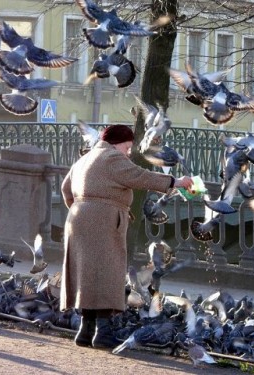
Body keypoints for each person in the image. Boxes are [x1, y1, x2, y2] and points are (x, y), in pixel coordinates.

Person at [60, 124, 193, 349]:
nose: (128, 152)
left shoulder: (85, 158)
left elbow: (66, 189)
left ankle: (85, 330)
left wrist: (81, 210)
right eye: (128, 147)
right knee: (107, 272)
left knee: (86, 273)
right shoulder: (112, 157)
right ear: (118, 143)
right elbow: (140, 177)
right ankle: (102, 332)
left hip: (77, 220)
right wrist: (175, 182)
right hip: (103, 220)